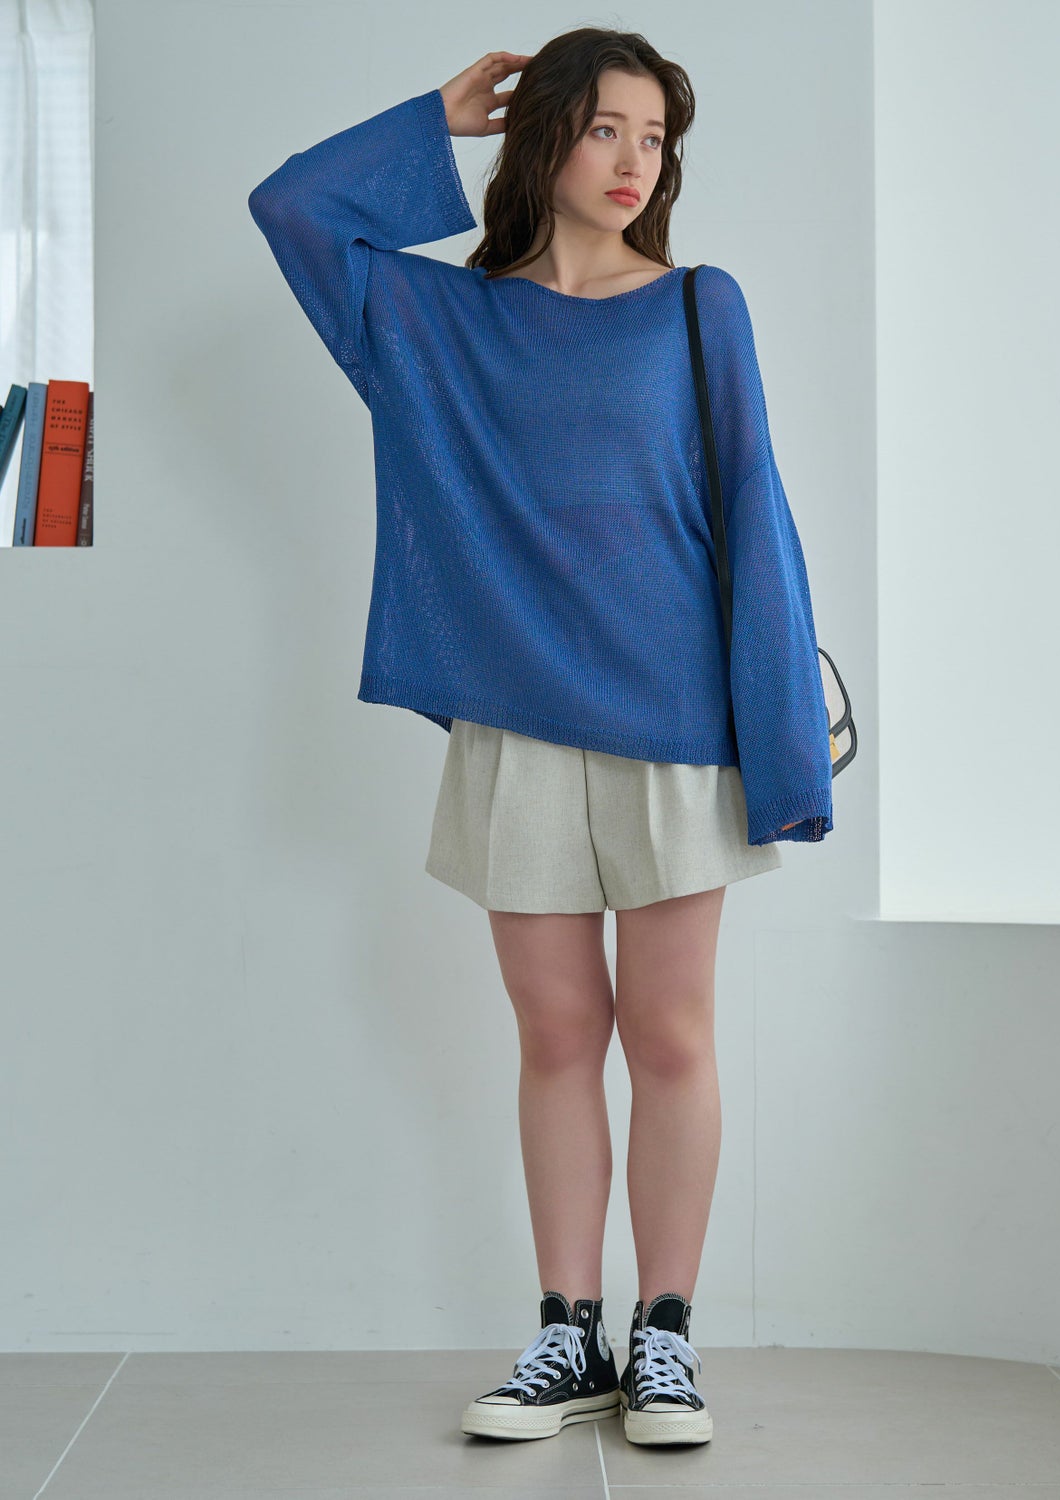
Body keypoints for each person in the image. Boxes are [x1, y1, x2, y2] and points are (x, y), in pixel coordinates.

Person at [248, 26, 833, 1450]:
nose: (636, 161)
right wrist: (433, 121)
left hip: (679, 728)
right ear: (544, 135)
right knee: (558, 1034)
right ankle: (568, 1334)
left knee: (670, 1034)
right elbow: (293, 210)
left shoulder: (697, 305)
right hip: (517, 726)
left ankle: (665, 1338)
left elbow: (753, 513)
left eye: (655, 138)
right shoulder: (441, 323)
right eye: (605, 128)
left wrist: (780, 746)